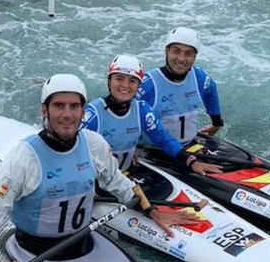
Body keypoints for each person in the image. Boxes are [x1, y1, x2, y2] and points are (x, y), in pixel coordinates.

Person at [0, 73, 200, 262]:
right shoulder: (24, 157)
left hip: (84, 244)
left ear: (83, 111)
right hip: (33, 253)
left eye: (74, 106)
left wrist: (152, 211)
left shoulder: (93, 143)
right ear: (44, 111)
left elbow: (120, 184)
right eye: (58, 106)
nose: (67, 114)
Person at [81, 54, 221, 175]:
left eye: (132, 80)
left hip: (122, 176)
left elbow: (163, 139)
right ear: (109, 81)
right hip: (95, 182)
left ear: (138, 85)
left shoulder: (142, 109)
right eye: (119, 78)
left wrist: (191, 161)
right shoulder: (91, 115)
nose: (125, 85)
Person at [136, 27, 223, 146]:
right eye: (176, 51)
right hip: (154, 151)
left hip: (189, 146)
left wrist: (216, 124)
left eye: (188, 54)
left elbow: (211, 90)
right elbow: (123, 114)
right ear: (167, 51)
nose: (181, 59)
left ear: (195, 56)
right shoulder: (147, 84)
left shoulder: (199, 77)